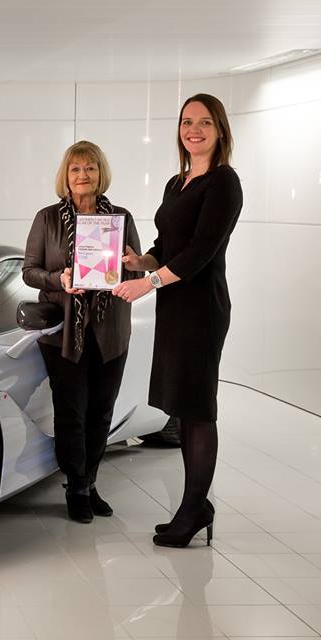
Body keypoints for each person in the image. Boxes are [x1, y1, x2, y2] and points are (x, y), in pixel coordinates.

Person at [114, 93, 243, 548]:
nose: (195, 129)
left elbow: (202, 251)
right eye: (188, 122)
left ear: (220, 130)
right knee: (184, 409)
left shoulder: (224, 183)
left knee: (200, 408)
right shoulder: (178, 182)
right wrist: (140, 261)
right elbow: (167, 245)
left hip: (202, 308)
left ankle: (193, 509)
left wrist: (149, 283)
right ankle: (195, 505)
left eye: (205, 122)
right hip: (175, 304)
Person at [23, 140, 141, 523]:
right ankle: (75, 486)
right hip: (63, 334)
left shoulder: (119, 218)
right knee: (71, 412)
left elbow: (137, 271)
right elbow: (29, 271)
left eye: (90, 168)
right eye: (76, 169)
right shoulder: (47, 218)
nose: (83, 175)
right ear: (66, 176)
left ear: (99, 173)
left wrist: (124, 265)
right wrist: (61, 278)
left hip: (110, 332)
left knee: (101, 413)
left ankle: (90, 481)